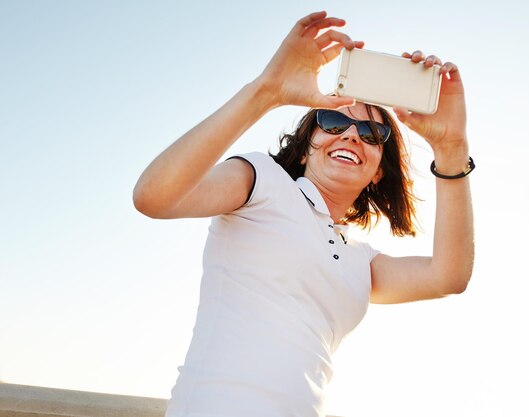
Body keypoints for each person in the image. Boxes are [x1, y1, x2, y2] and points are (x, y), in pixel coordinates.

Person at [133, 10, 474, 417]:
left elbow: (448, 277)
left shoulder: (359, 258)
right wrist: (267, 90)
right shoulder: (262, 181)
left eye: (371, 134)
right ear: (308, 140)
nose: (350, 135)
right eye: (333, 121)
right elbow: (154, 197)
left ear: (378, 170)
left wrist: (452, 149)